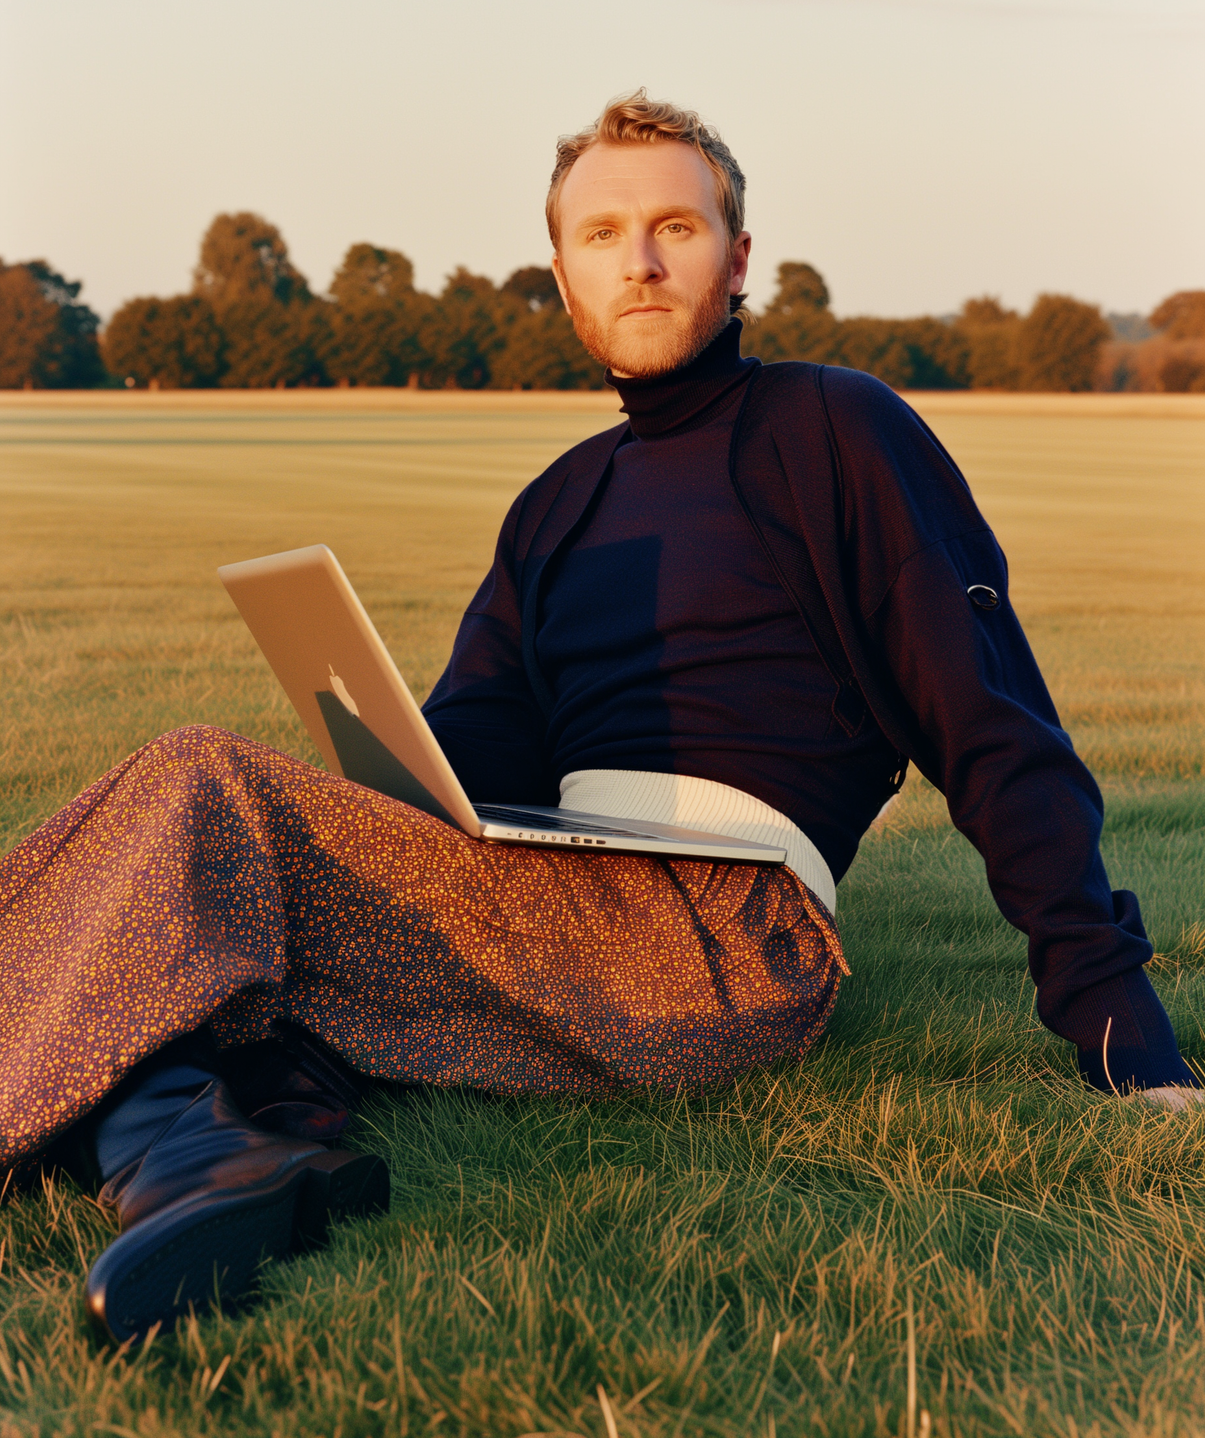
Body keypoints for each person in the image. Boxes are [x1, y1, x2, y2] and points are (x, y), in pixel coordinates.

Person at [0, 90, 1195, 1343]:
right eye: (601, 234)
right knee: (197, 892)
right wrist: (382, 776)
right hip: (559, 894)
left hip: (725, 940)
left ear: (737, 261)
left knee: (198, 784)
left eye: (675, 226)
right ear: (561, 279)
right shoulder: (556, 501)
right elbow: (474, 746)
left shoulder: (833, 427)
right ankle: (244, 1141)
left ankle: (201, 1144)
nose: (638, 259)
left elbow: (990, 722)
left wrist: (1122, 1029)